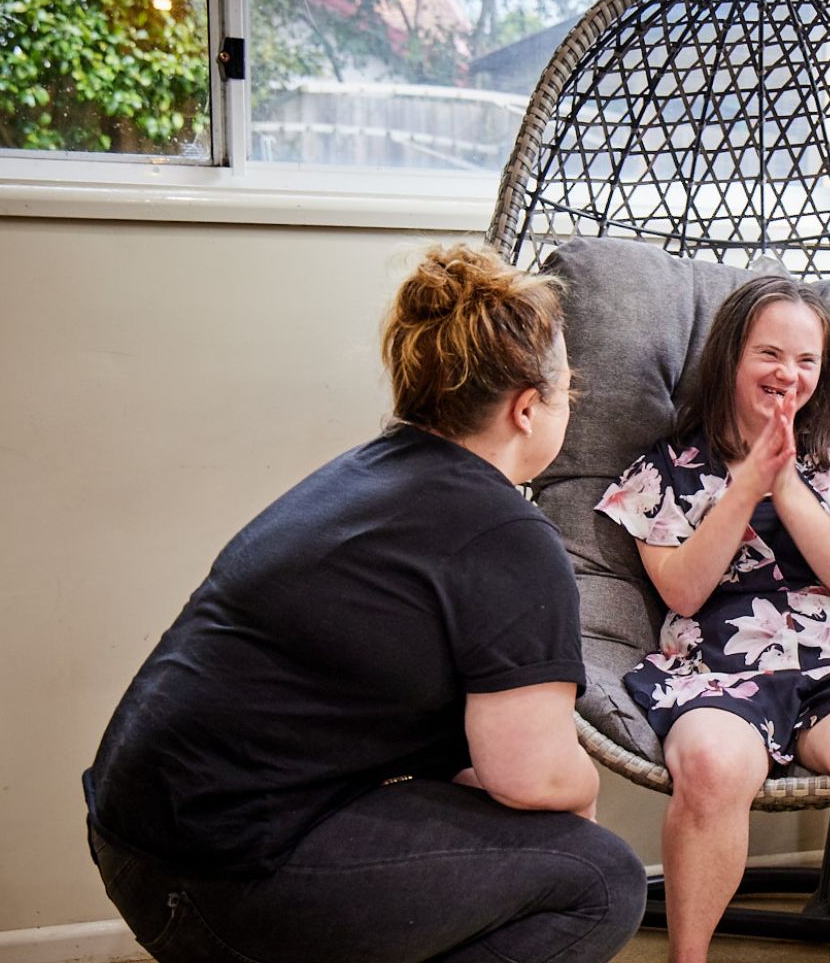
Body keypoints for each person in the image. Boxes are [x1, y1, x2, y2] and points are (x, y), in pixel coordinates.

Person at [83, 243, 644, 963]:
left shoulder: (366, 477)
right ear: (528, 408)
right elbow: (532, 777)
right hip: (213, 877)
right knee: (600, 877)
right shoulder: (505, 534)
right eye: (570, 390)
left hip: (139, 836)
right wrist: (579, 800)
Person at [594, 277, 830, 963]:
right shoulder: (666, 471)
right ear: (729, 359)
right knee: (714, 768)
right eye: (770, 354)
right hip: (715, 670)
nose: (789, 375)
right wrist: (745, 484)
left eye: (806, 362)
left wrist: (786, 484)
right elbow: (684, 592)